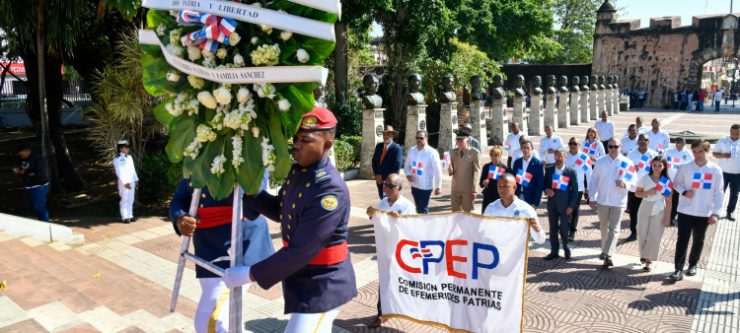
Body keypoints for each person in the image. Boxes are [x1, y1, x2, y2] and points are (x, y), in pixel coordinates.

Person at [223, 107, 358, 332]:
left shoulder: (329, 191)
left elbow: (300, 251)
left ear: (327, 145)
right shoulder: (299, 172)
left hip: (323, 283)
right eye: (296, 138)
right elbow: (281, 210)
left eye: (306, 139)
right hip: (304, 279)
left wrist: (249, 274)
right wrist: (249, 191)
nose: (296, 144)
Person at [169, 172, 274, 333]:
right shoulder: (196, 153)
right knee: (226, 321)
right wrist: (179, 217)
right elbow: (181, 196)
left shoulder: (250, 150)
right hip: (206, 248)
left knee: (209, 323)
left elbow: (256, 193)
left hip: (238, 246)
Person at [669, 140, 725, 281]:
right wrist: (684, 191)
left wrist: (715, 213)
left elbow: (718, 192)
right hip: (685, 211)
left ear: (706, 151)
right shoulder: (685, 167)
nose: (697, 155)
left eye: (700, 151)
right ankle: (678, 269)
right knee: (682, 240)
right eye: (694, 152)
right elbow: (676, 183)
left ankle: (693, 265)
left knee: (699, 240)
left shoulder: (715, 170)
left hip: (704, 212)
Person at [365, 173, 415, 328]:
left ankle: (406, 309)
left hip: (400, 251)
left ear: (399, 188)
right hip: (384, 249)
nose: (385, 188)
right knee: (384, 281)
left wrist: (399, 220)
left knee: (401, 281)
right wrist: (371, 214)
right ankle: (382, 313)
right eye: (385, 185)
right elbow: (377, 221)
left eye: (389, 186)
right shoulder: (383, 202)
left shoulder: (407, 206)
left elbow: (413, 228)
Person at [589, 138, 636, 268]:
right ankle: (604, 250)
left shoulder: (627, 163)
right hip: (603, 200)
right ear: (607, 147)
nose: (613, 149)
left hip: (619, 201)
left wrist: (625, 184)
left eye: (616, 146)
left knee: (614, 229)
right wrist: (592, 197)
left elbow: (634, 183)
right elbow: (594, 180)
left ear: (620, 147)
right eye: (610, 147)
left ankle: (608, 254)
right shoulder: (601, 161)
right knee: (604, 228)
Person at [482, 173, 546, 245]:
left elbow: (540, 240)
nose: (501, 190)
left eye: (505, 186)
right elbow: (483, 232)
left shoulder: (527, 210)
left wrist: (537, 230)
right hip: (495, 253)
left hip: (516, 255)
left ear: (514, 187)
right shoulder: (491, 208)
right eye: (499, 186)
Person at [634, 156, 672, 272]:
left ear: (664, 166)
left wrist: (667, 217)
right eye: (654, 165)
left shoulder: (666, 181)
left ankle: (648, 261)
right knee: (641, 233)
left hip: (659, 208)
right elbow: (637, 193)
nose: (656, 167)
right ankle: (644, 254)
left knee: (654, 235)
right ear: (651, 165)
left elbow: (669, 200)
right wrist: (647, 192)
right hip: (645, 206)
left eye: (659, 165)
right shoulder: (645, 178)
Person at [543, 149, 579, 260]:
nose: (558, 158)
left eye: (560, 156)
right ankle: (554, 251)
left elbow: (575, 191)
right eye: (556, 156)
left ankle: (566, 248)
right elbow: (544, 184)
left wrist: (571, 206)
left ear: (565, 157)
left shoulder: (571, 171)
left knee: (564, 229)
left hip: (565, 206)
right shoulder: (549, 170)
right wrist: (547, 190)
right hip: (552, 204)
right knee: (553, 229)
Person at [626, 134, 659, 241]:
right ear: (637, 141)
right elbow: (625, 170)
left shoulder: (654, 154)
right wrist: (631, 170)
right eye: (640, 139)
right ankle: (634, 232)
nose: (643, 141)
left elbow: (659, 170)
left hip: (648, 189)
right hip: (634, 189)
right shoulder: (631, 154)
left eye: (645, 139)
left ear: (648, 142)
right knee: (633, 212)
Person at [404, 130, 443, 214]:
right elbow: (407, 165)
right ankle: (421, 224)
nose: (419, 140)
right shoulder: (412, 150)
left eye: (421, 138)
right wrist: (407, 174)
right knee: (419, 208)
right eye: (417, 138)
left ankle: (424, 225)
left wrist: (438, 186)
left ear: (426, 138)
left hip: (426, 186)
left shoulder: (432, 152)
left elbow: (438, 170)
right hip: (414, 185)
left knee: (422, 208)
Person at [12, 145, 49, 221]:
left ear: (26, 151)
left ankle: (46, 224)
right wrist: (18, 171)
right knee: (35, 207)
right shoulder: (23, 159)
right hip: (29, 186)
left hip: (39, 187)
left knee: (40, 208)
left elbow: (41, 174)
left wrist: (24, 173)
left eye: (22, 154)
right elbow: (22, 171)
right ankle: (41, 222)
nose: (21, 156)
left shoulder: (38, 159)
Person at [565, 137, 592, 241]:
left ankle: (572, 231)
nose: (572, 145)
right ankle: (565, 228)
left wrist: (588, 189)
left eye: (575, 144)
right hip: (565, 187)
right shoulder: (565, 156)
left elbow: (589, 174)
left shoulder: (584, 157)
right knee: (564, 208)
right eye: (570, 143)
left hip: (578, 188)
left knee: (575, 209)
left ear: (579, 145)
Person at [712, 124, 740, 221]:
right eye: (732, 133)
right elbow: (714, 153)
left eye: (737, 134)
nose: (734, 136)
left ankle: (729, 212)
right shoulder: (723, 140)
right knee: (719, 192)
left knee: (734, 194)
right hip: (723, 172)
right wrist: (723, 155)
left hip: (737, 173)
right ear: (730, 131)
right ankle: (715, 211)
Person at [449, 130, 480, 212]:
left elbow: (476, 172)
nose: (458, 143)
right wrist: (450, 170)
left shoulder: (474, 153)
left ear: (468, 140)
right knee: (455, 215)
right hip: (455, 188)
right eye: (457, 141)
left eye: (461, 141)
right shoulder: (454, 152)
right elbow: (451, 170)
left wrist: (474, 190)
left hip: (468, 189)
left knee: (468, 215)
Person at [665, 137, 693, 225]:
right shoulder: (668, 152)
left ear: (685, 143)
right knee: (667, 199)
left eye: (682, 143)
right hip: (668, 179)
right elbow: (663, 163)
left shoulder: (688, 154)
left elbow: (692, 167)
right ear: (676, 143)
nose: (680, 145)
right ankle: (666, 215)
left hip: (680, 182)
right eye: (678, 143)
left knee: (676, 200)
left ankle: (672, 217)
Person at [372, 125, 403, 199]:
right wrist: (376, 174)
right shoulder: (379, 146)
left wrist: (383, 177)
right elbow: (374, 161)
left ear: (392, 135)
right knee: (382, 198)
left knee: (389, 200)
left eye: (388, 134)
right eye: (384, 134)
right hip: (379, 181)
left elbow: (396, 166)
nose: (386, 136)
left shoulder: (397, 148)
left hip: (389, 182)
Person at [512, 139, 544, 209]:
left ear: (532, 149)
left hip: (530, 198)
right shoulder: (517, 162)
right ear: (521, 149)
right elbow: (513, 181)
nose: (525, 150)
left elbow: (539, 185)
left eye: (528, 148)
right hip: (517, 197)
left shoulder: (538, 164)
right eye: (524, 147)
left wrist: (535, 203)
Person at [112, 140, 139, 223]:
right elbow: (119, 172)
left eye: (128, 147)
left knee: (131, 199)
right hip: (124, 182)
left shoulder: (129, 157)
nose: (128, 149)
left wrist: (135, 179)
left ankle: (130, 215)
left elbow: (132, 169)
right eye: (126, 147)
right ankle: (124, 217)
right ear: (120, 148)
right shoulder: (117, 159)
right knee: (125, 199)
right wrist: (125, 182)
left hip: (131, 181)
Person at [479, 146, 510, 213]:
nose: (493, 157)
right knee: (485, 217)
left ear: (500, 155)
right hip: (488, 196)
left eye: (496, 155)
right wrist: (484, 182)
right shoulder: (486, 167)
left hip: (499, 197)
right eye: (491, 155)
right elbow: (481, 184)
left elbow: (508, 185)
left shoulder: (505, 169)